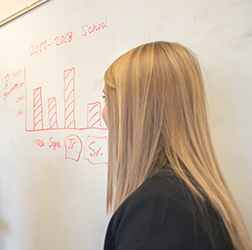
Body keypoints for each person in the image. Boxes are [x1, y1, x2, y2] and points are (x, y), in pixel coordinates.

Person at [102, 41, 252, 250]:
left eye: (107, 98)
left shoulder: (156, 211)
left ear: (136, 108)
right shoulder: (185, 193)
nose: (103, 113)